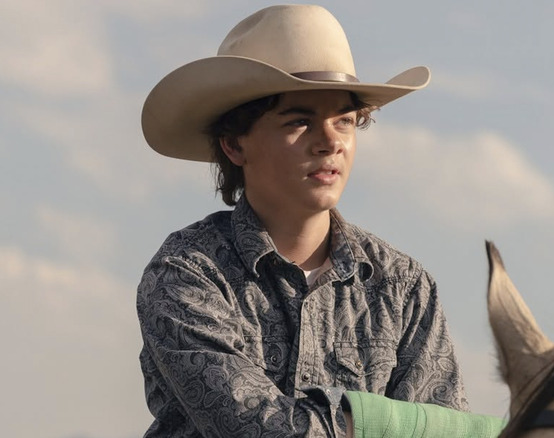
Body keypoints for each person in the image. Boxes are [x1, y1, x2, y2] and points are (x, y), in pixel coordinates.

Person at [137, 5, 504, 437]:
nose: (330, 142)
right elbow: (258, 431)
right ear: (235, 145)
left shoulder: (405, 287)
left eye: (345, 121)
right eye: (299, 121)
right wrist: (381, 423)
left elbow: (446, 434)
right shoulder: (188, 273)